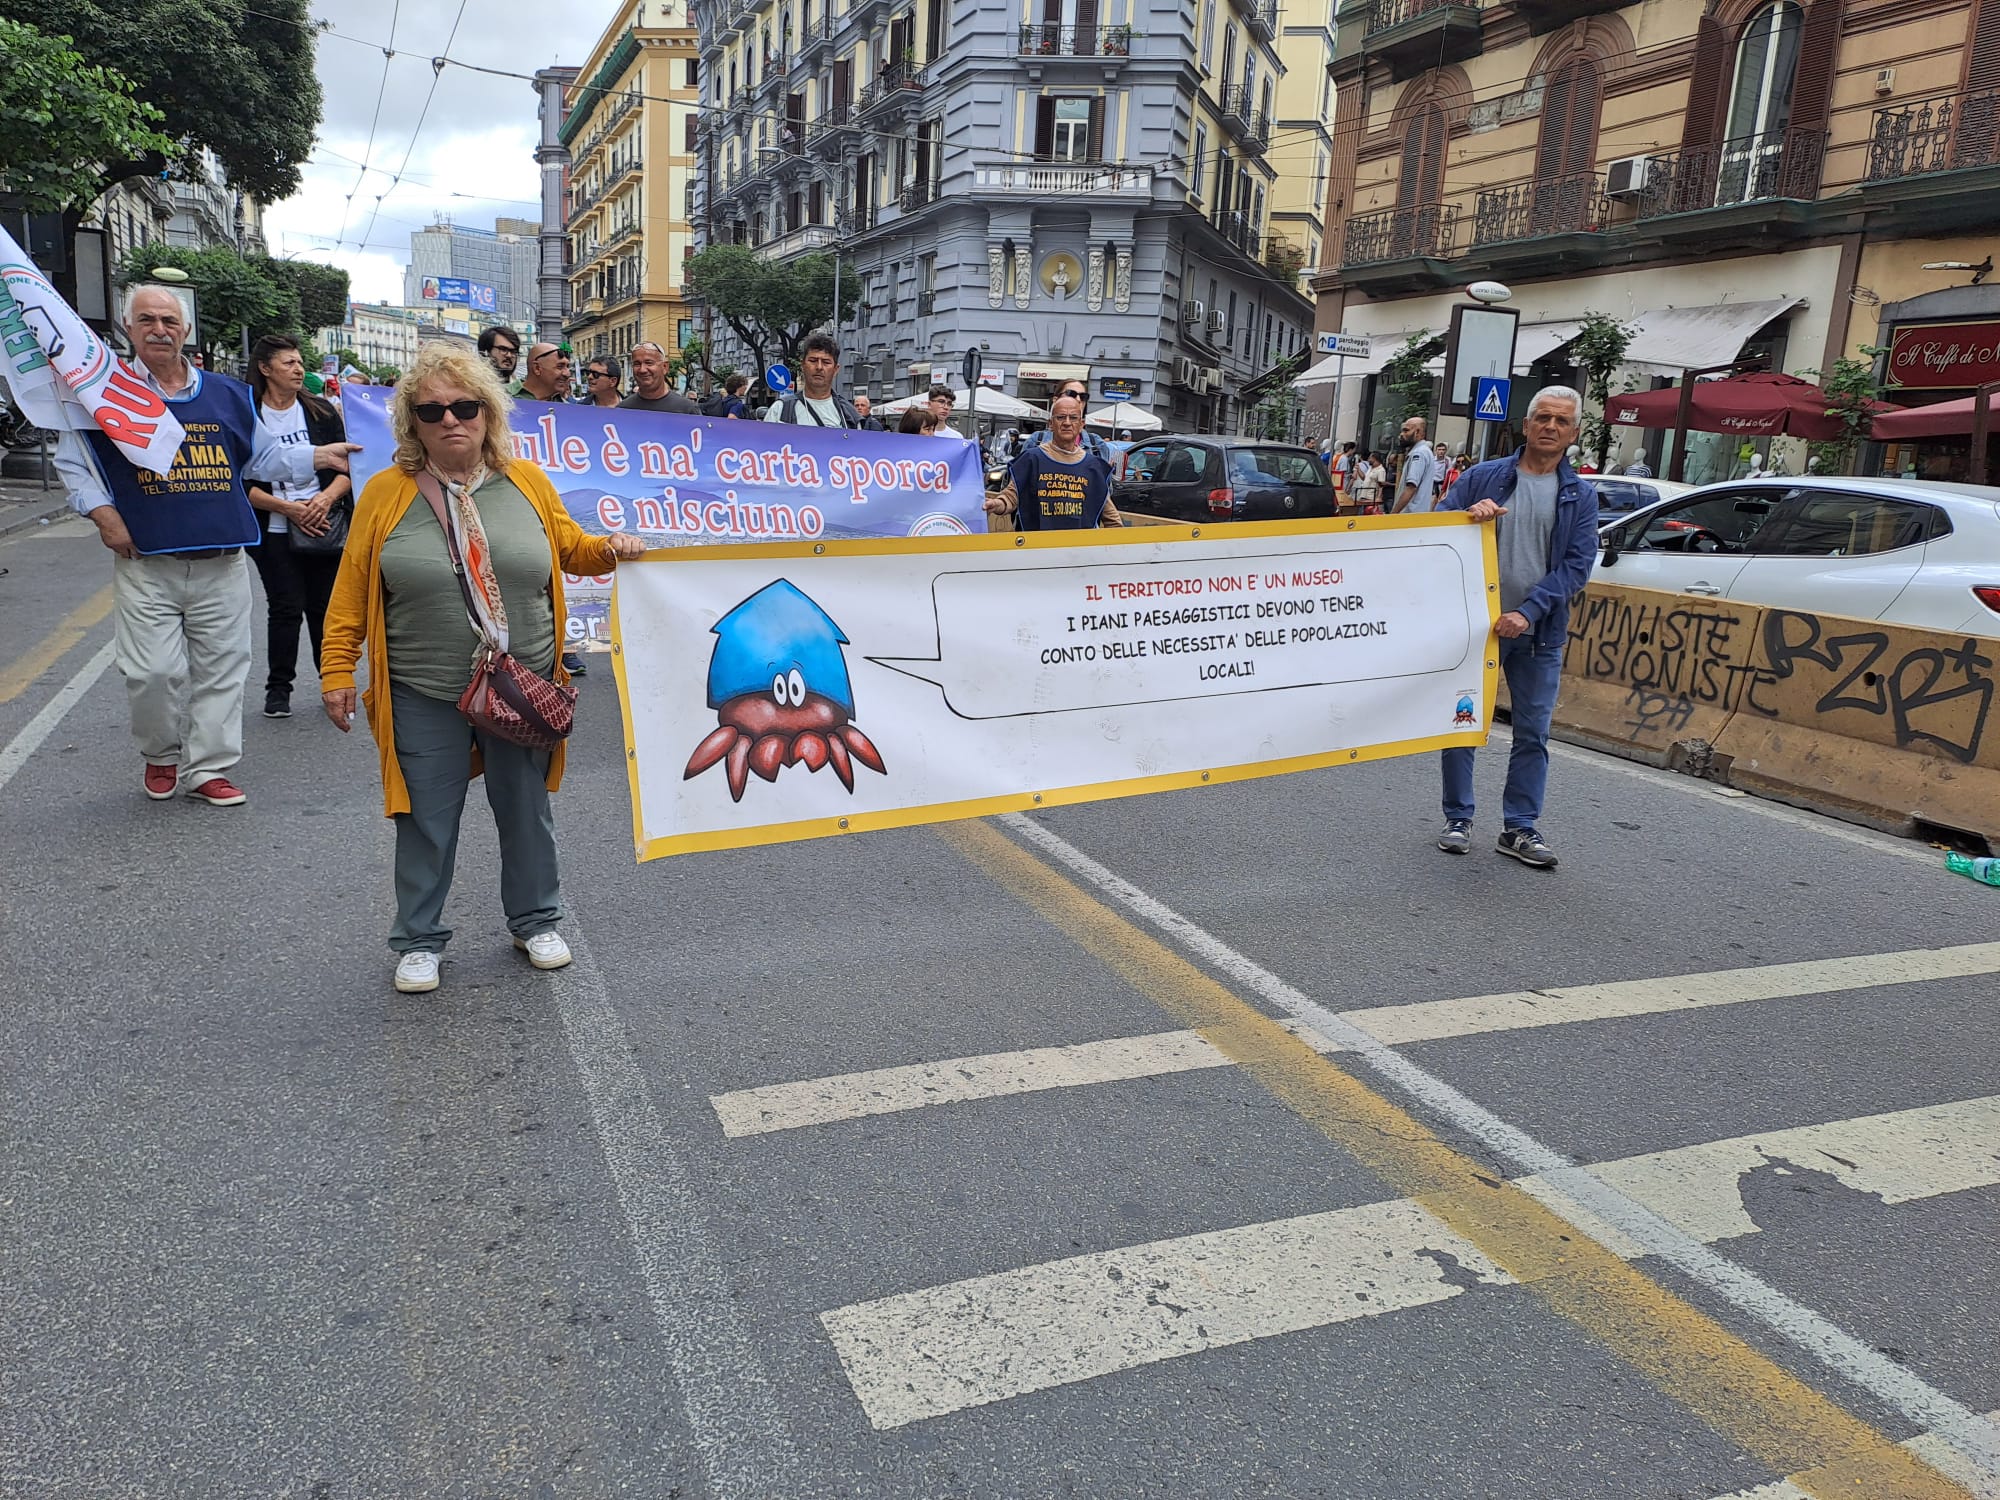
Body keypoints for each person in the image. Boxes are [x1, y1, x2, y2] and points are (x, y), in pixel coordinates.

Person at [317, 341, 645, 996]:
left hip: (521, 685)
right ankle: (419, 938)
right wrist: (335, 670)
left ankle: (536, 919)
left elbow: (570, 549)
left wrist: (612, 549)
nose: (450, 420)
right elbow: (352, 590)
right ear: (413, 423)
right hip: (423, 686)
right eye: (431, 410)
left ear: (488, 412)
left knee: (525, 808)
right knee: (424, 816)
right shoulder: (385, 494)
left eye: (464, 405)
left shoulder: (527, 482)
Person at [53, 286, 359, 806]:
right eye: (146, 319)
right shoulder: (102, 392)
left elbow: (262, 461)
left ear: (185, 330)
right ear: (129, 328)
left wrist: (319, 456)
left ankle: (209, 768)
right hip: (148, 559)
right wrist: (105, 518)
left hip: (223, 559)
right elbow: (73, 462)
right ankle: (160, 754)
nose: (159, 329)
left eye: (169, 321)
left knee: (224, 668)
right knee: (151, 672)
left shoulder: (226, 395)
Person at [1433, 385, 1600, 870]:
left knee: (1533, 732)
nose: (1550, 427)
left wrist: (1527, 611)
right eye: (1542, 418)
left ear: (1574, 433)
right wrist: (1468, 516)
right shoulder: (1484, 477)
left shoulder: (1580, 495)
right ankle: (1458, 818)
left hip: (1538, 632)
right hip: (1476, 628)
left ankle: (1520, 827)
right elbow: (1435, 529)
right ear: (1525, 426)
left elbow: (1576, 565)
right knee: (1463, 724)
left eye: (1561, 421)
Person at [245, 334, 352, 720]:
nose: (298, 369)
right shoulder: (247, 414)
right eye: (288, 362)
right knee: (286, 607)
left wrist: (323, 501)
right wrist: (287, 509)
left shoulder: (321, 412)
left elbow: (350, 465)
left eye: (299, 362)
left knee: (324, 608)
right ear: (265, 368)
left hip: (325, 523)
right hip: (273, 529)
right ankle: (278, 689)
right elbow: (242, 482)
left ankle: (332, 684)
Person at [982, 394, 1123, 529]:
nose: (1067, 423)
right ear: (1051, 424)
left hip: (1079, 551)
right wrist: (996, 504)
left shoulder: (1094, 467)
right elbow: (1011, 496)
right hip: (1037, 548)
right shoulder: (1032, 459)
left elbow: (1112, 519)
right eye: (1061, 417)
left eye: (1073, 418)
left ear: (1081, 425)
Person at [764, 334, 865, 426]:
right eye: (813, 361)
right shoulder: (780, 410)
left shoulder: (849, 414)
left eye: (826, 362)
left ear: (836, 369)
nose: (819, 367)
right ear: (802, 365)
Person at [1028, 379, 1110, 459]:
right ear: (1055, 400)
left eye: (1083, 396)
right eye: (1071, 394)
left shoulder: (1097, 444)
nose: (1078, 399)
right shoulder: (1036, 441)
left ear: (1082, 424)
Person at [621, 342, 698, 414]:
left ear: (664, 367)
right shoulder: (622, 410)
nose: (642, 370)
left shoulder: (687, 410)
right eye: (637, 364)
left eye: (649, 363)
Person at [1390, 416, 1440, 513]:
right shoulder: (1423, 451)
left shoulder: (1418, 454)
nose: (1401, 434)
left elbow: (1411, 487)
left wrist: (1393, 514)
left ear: (1417, 432)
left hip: (1409, 516)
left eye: (1406, 431)